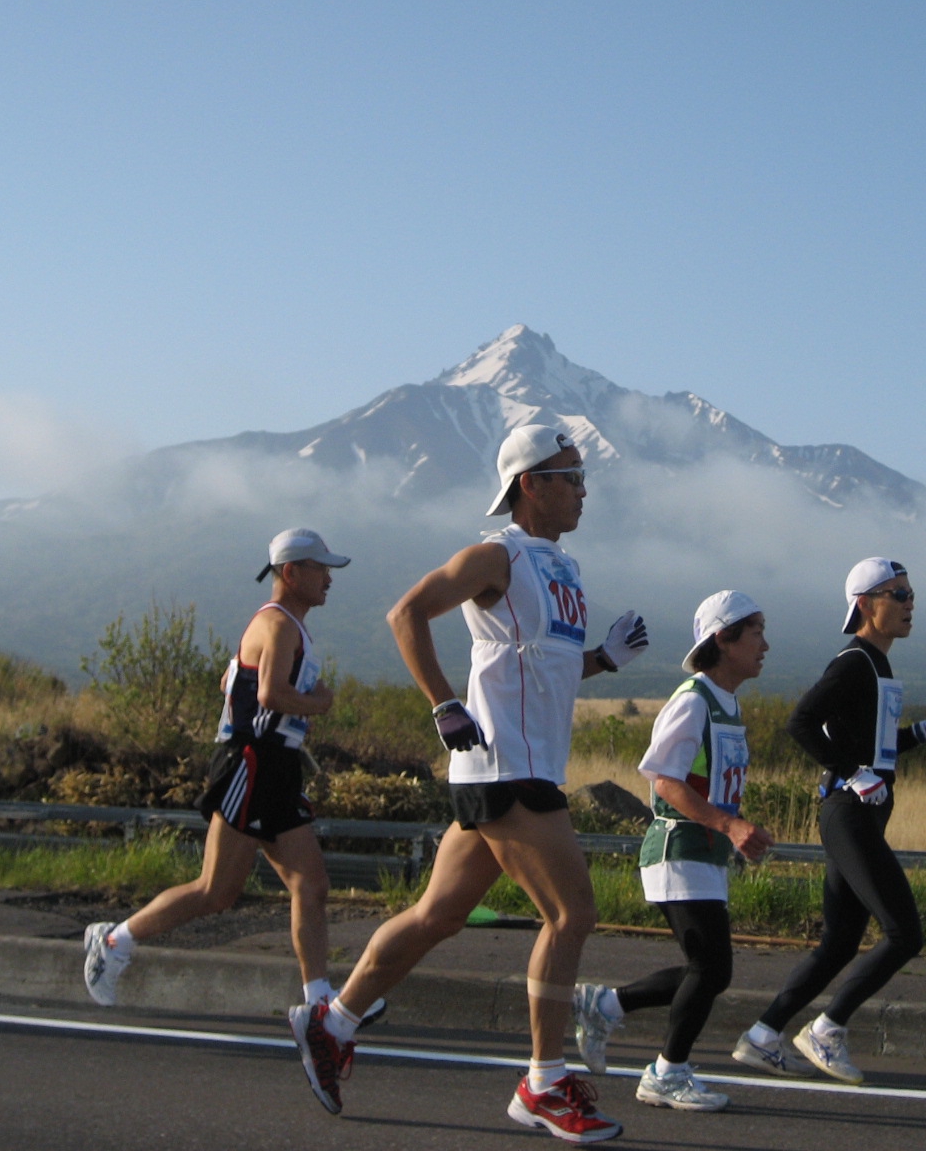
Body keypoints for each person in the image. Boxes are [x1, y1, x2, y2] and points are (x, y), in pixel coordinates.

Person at [300, 424, 649, 1144]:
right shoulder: (495, 555)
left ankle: (331, 1024)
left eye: (584, 477)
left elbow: (543, 668)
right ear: (531, 484)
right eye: (572, 476)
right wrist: (442, 702)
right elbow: (406, 613)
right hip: (505, 768)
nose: (584, 489)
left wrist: (603, 661)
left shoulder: (563, 569)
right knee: (571, 915)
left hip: (523, 765)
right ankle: (544, 1083)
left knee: (439, 916)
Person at [83, 528, 385, 1045]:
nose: (329, 579)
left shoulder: (282, 626)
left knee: (310, 885)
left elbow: (235, 683)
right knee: (216, 891)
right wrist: (320, 702)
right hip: (251, 764)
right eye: (321, 569)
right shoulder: (278, 624)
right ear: (291, 573)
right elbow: (270, 693)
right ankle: (113, 941)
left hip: (277, 767)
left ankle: (318, 1001)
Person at [732, 557, 926, 1084]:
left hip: (860, 815)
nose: (910, 603)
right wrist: (852, 773)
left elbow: (874, 747)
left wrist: (923, 734)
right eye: (897, 594)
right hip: (849, 815)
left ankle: (764, 1036)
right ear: (865, 604)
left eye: (910, 593)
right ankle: (826, 1029)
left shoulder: (877, 665)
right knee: (904, 933)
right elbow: (801, 722)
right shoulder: (855, 661)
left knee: (839, 942)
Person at [571, 591, 775, 1113]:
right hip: (677, 847)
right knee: (710, 968)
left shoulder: (728, 703)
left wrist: (733, 831)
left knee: (710, 970)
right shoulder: (693, 700)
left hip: (704, 852)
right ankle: (667, 1072)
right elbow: (665, 781)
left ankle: (608, 1005)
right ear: (723, 639)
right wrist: (730, 825)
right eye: (755, 632)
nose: (765, 645)